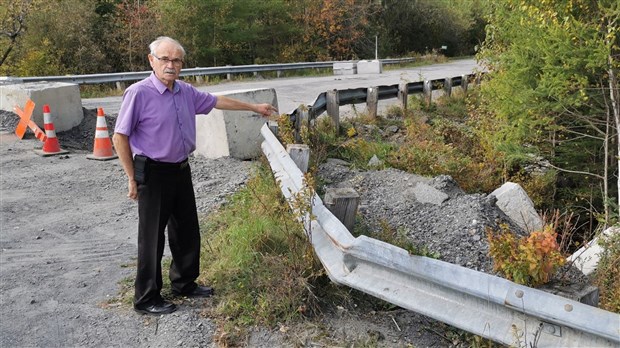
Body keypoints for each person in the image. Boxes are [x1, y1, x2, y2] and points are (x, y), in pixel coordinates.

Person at [113, 36, 277, 315]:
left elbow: (216, 101)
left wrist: (254, 107)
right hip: (153, 173)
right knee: (152, 237)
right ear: (151, 60)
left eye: (176, 60)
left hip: (180, 169)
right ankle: (146, 298)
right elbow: (119, 136)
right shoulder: (138, 93)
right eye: (164, 59)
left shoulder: (185, 92)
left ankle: (185, 282)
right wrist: (131, 178)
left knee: (186, 230)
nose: (171, 65)